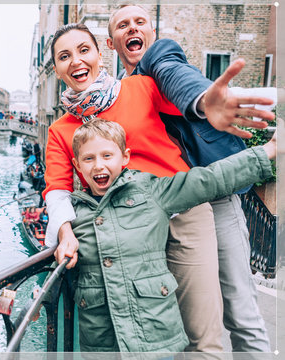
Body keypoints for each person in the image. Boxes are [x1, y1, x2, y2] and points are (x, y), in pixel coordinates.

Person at [44, 23, 275, 352]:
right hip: (126, 231)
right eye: (65, 56)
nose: (76, 61)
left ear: (99, 54)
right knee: (151, 336)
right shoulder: (60, 129)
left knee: (202, 334)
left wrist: (208, 101)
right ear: (57, 69)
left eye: (84, 50)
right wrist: (64, 231)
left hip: (182, 211)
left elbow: (189, 101)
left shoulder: (139, 87)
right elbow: (57, 189)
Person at [106, 5, 274, 351]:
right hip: (164, 208)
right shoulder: (119, 92)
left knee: (240, 309)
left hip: (214, 195)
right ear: (112, 43)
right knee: (184, 316)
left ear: (150, 34)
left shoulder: (161, 58)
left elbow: (178, 78)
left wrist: (203, 100)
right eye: (123, 25)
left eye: (140, 22)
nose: (133, 29)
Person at [69, 119, 276, 352]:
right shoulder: (72, 214)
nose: (98, 165)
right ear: (77, 164)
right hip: (101, 345)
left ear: (125, 157)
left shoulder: (151, 191)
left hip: (155, 338)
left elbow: (210, 179)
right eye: (89, 158)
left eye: (107, 156)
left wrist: (268, 150)